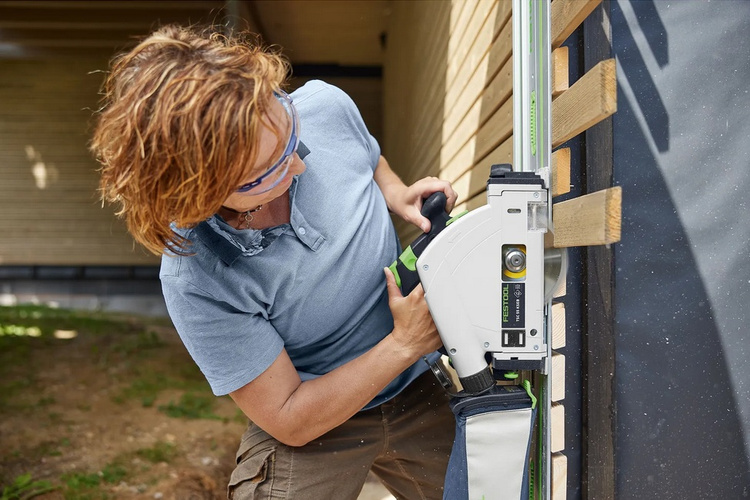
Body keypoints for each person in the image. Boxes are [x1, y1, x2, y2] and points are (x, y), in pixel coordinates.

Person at [90, 24, 458, 499]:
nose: (300, 164)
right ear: (197, 194)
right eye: (268, 171)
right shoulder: (195, 276)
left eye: (291, 139)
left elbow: (366, 155)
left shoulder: (324, 107)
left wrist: (396, 192)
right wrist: (403, 344)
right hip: (318, 411)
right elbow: (289, 416)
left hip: (417, 384)